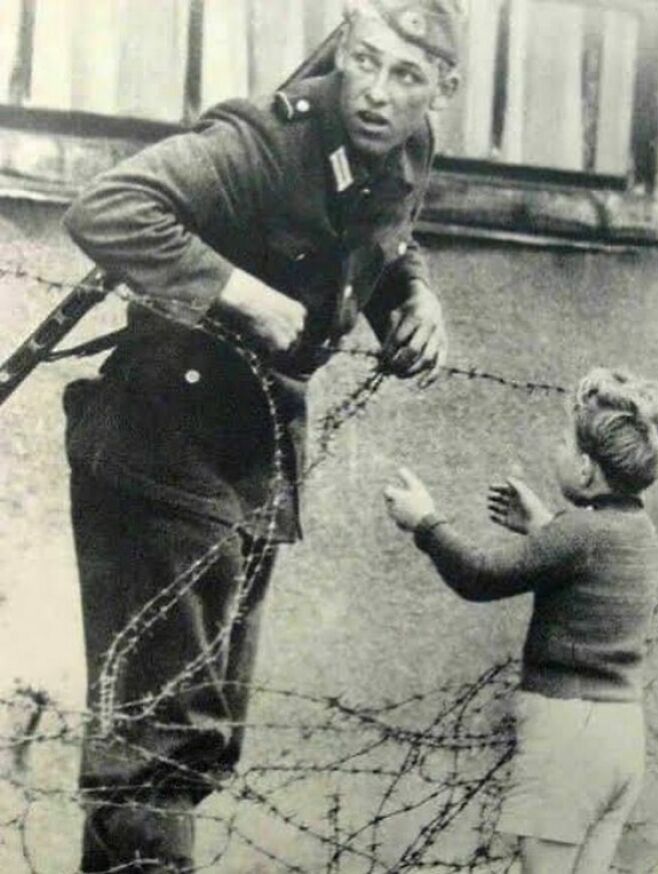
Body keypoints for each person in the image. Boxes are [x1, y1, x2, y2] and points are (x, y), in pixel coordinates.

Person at [62, 1, 463, 870]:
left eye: (407, 76)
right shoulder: (263, 138)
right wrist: (240, 291)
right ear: (344, 52)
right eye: (365, 61)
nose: (376, 92)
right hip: (161, 446)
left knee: (198, 737)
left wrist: (412, 298)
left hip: (253, 462)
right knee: (157, 738)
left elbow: (381, 237)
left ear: (442, 90)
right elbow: (106, 207)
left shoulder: (407, 149)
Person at [384, 367, 658, 874]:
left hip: (569, 732)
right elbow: (591, 573)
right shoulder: (639, 533)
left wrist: (425, 523)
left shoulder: (578, 533)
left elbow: (480, 577)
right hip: (620, 735)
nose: (555, 450)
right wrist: (543, 527)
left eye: (564, 443)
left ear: (588, 471)